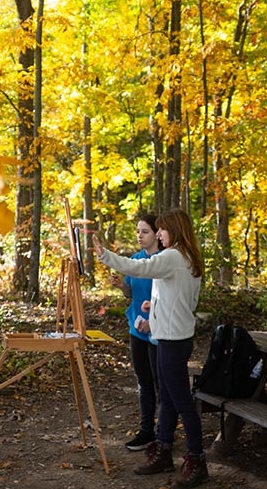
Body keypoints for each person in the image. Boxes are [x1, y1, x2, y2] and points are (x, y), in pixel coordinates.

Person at [93, 209, 209, 489]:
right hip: (174, 337)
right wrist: (153, 308)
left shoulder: (171, 256)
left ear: (176, 230)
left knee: (181, 401)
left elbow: (140, 268)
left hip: (171, 341)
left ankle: (197, 460)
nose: (158, 234)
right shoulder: (189, 257)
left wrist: (105, 255)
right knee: (167, 399)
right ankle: (164, 450)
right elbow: (186, 301)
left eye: (162, 229)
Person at [111, 214, 162, 451]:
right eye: (138, 231)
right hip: (136, 327)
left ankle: (164, 432)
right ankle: (146, 431)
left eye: (145, 232)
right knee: (143, 382)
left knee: (160, 382)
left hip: (159, 329)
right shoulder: (135, 259)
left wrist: (153, 319)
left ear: (156, 234)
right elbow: (130, 294)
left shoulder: (164, 261)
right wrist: (122, 286)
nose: (140, 236)